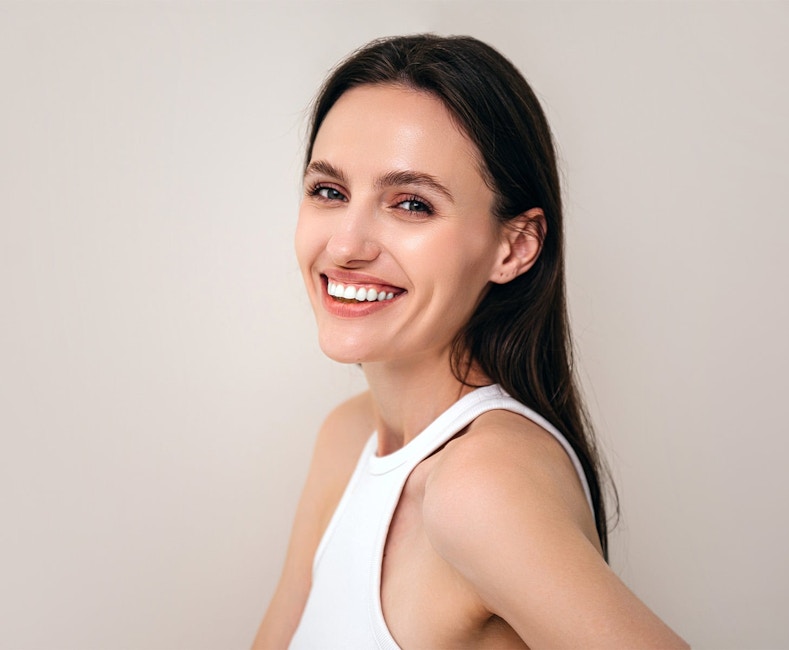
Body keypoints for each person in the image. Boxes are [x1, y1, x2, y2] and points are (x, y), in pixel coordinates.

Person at [254, 34, 687, 649]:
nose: (347, 246)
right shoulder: (347, 437)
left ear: (514, 247)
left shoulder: (479, 484)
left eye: (411, 204)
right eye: (329, 191)